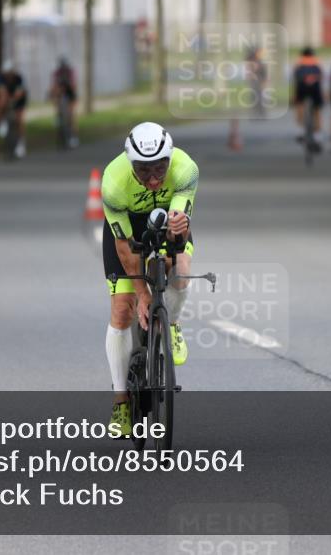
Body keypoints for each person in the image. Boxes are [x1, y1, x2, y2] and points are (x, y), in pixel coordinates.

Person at [100, 122, 198, 437]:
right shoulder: (113, 182)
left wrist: (174, 234)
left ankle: (172, 323)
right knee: (123, 309)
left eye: (160, 169)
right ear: (131, 165)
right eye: (144, 172)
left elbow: (176, 231)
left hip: (168, 219)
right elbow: (126, 251)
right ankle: (121, 402)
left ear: (170, 159)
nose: (154, 179)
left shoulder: (186, 170)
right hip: (127, 228)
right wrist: (142, 294)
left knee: (180, 270)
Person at [292, 47, 323, 147]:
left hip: (302, 88)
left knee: (299, 106)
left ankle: (300, 131)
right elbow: (321, 77)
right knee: (317, 111)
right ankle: (317, 135)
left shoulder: (299, 63)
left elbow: (296, 80)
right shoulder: (316, 62)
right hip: (315, 89)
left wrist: (294, 95)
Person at [0, 60, 27, 158]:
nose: (8, 75)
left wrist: (14, 99)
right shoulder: (1, 78)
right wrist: (5, 100)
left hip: (19, 99)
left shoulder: (19, 78)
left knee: (20, 120)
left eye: (10, 73)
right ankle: (2, 122)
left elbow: (20, 93)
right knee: (1, 101)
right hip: (7, 97)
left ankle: (21, 143)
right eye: (7, 73)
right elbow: (2, 91)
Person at [49, 56, 79, 149]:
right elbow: (53, 86)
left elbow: (73, 86)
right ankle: (58, 120)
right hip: (60, 93)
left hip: (70, 93)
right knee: (58, 109)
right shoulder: (57, 73)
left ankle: (73, 135)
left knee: (71, 115)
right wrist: (54, 97)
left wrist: (72, 99)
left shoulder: (70, 72)